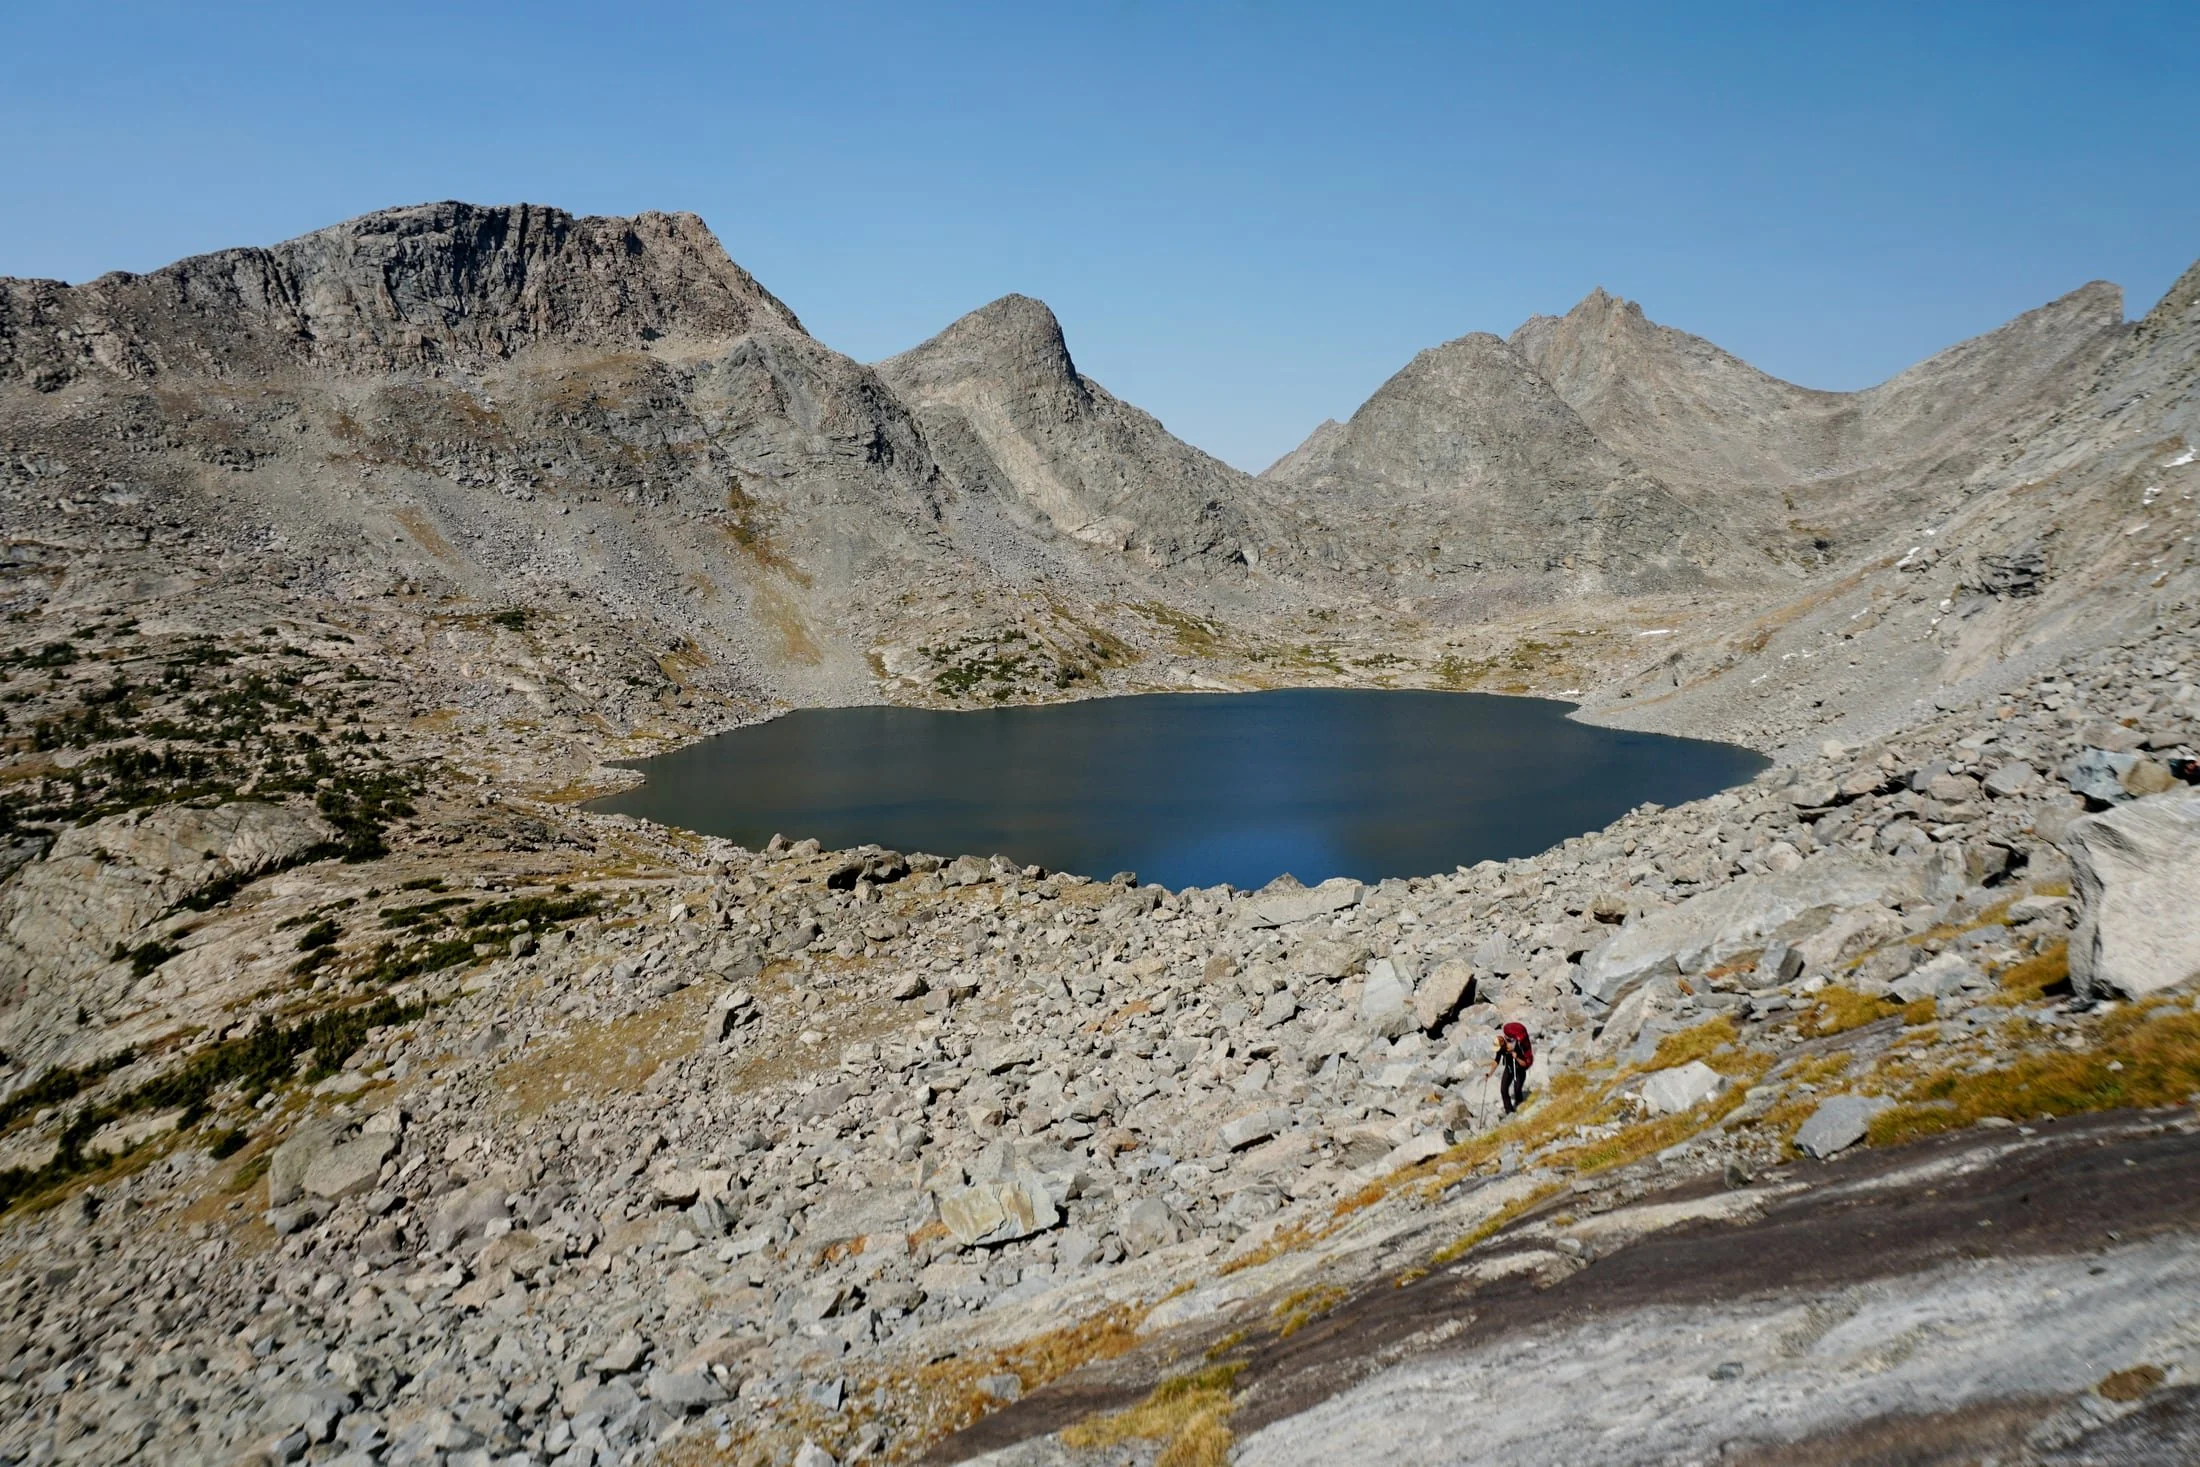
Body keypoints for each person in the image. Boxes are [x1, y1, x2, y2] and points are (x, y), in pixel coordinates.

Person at [1487, 1020, 1534, 1115]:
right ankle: (1509, 1111)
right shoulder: (1501, 1049)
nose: (1499, 1050)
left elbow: (1524, 1064)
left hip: (1519, 1070)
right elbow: (1496, 1061)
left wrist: (1517, 1058)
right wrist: (1489, 1073)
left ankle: (1520, 1105)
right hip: (1509, 1069)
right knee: (1503, 1089)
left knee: (1517, 1089)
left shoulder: (1517, 1048)